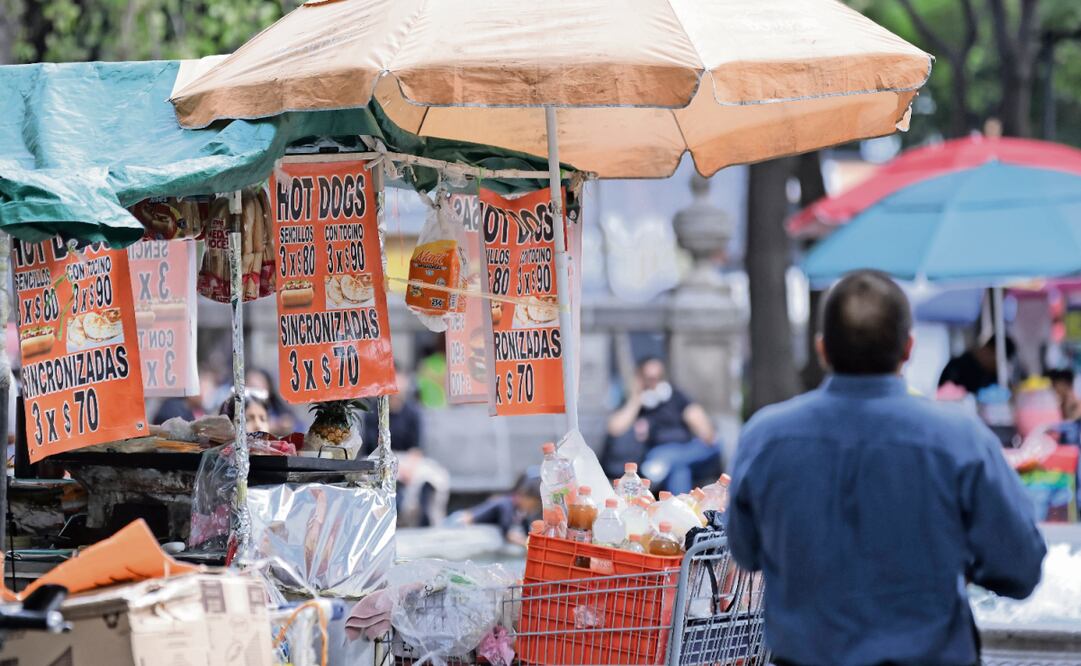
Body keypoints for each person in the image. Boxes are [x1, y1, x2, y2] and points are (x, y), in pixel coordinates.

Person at [727, 270, 1046, 666]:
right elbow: (1021, 568)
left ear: (822, 349)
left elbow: (745, 551)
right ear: (908, 348)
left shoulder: (765, 438)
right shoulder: (961, 439)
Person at [606, 358, 718, 495]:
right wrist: (636, 398)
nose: (655, 383)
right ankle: (680, 511)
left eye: (658, 378)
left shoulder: (677, 397)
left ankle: (662, 463)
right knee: (679, 470)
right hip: (659, 451)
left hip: (686, 449)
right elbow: (615, 428)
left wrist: (698, 423)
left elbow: (707, 433)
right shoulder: (638, 406)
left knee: (714, 445)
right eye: (650, 378)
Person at [363, 368, 449, 527]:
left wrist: (408, 467)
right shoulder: (373, 412)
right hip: (379, 458)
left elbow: (416, 448)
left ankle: (426, 514)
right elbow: (370, 446)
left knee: (435, 475)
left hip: (407, 459)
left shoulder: (413, 412)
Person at [448, 472, 542, 546]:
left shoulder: (519, 512)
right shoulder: (506, 504)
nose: (533, 509)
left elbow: (526, 532)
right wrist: (530, 545)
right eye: (533, 504)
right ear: (524, 496)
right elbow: (508, 535)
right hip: (459, 520)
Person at [938, 335, 1016, 395]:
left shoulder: (993, 376)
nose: (996, 366)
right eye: (996, 361)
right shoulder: (957, 367)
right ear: (988, 351)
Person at [245, 367, 296, 436]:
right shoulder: (236, 409)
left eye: (259, 387)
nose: (256, 392)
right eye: (252, 386)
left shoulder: (278, 409)